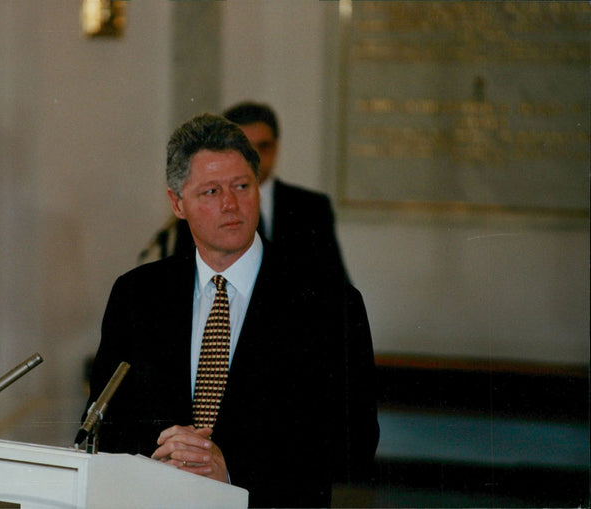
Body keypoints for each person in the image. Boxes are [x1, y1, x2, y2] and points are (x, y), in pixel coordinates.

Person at [85, 114, 378, 508]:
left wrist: (231, 470)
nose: (231, 204)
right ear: (177, 203)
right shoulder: (137, 295)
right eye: (210, 192)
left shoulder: (328, 303)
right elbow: (99, 427)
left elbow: (354, 445)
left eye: (242, 186)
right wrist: (167, 452)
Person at [158, 101, 349, 283]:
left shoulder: (311, 206)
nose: (256, 155)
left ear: (276, 147)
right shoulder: (200, 209)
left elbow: (335, 278)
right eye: (247, 147)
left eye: (263, 146)